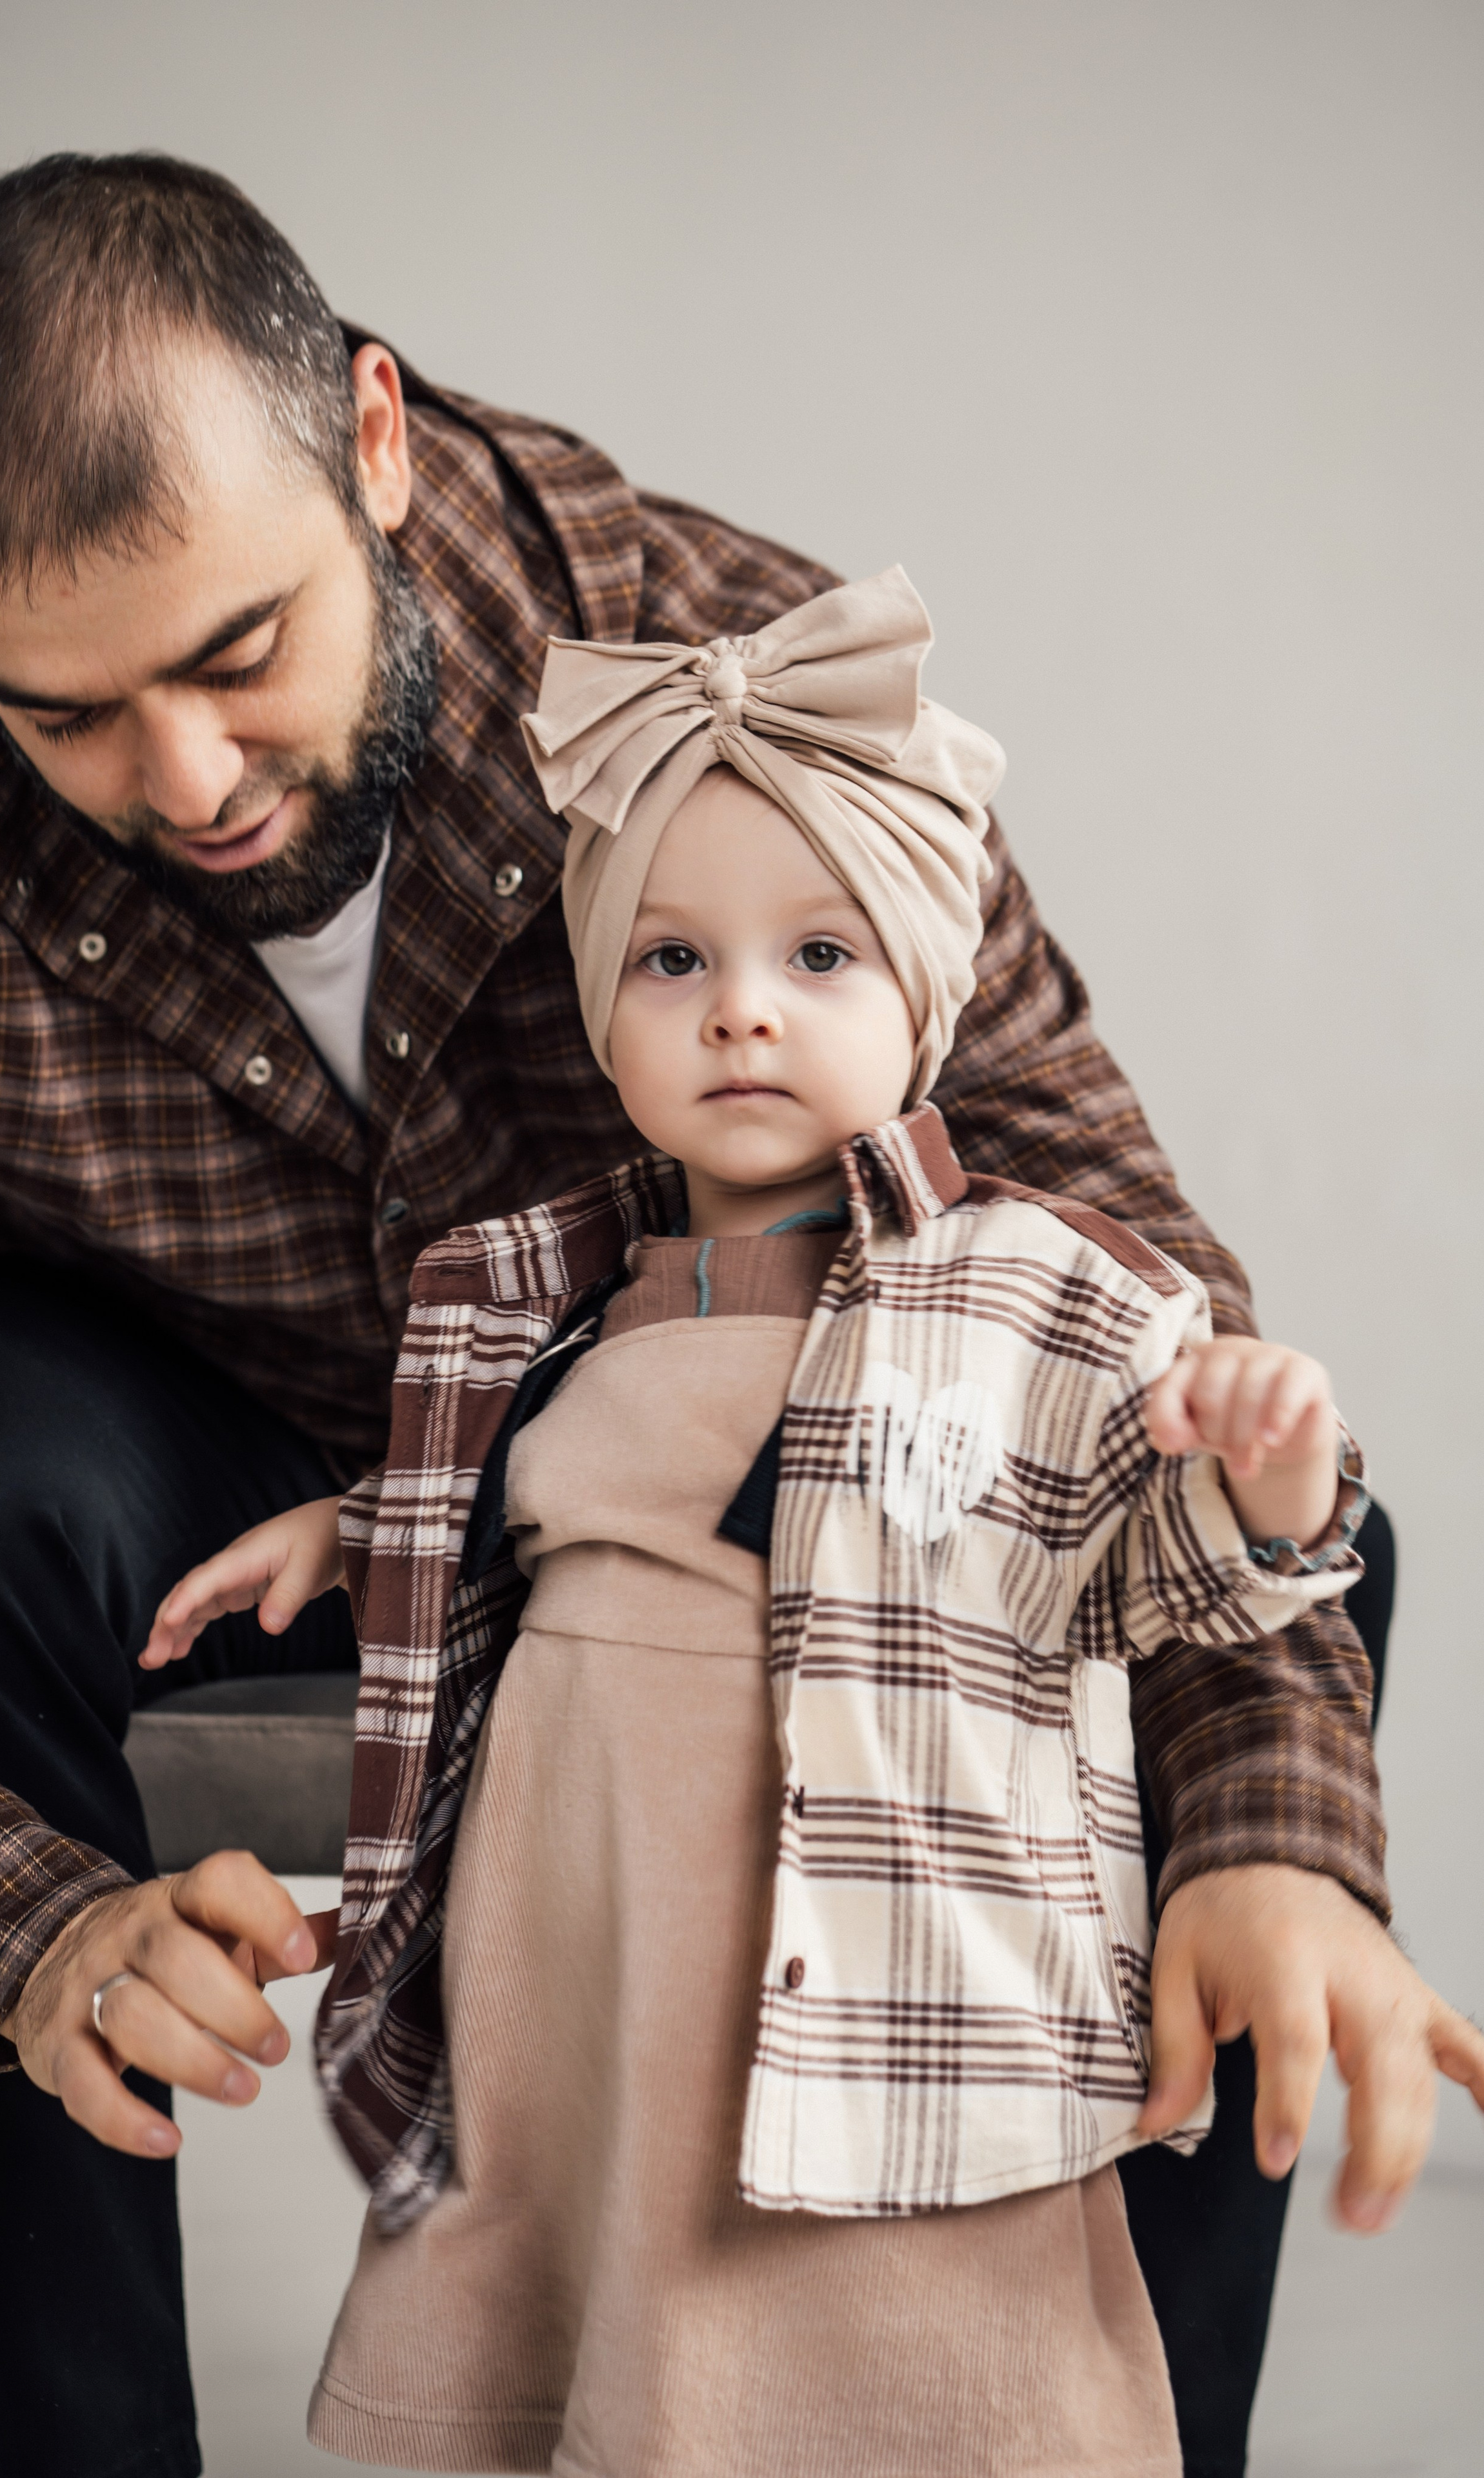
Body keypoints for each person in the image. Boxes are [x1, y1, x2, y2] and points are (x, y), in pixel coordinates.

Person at [0, 150, 1453, 2478]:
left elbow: (1113, 1250)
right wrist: (0, 1928)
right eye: (61, 716)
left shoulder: (726, 656)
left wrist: (1278, 1831)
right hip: (146, 1470)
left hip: (650, 1441)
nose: (175, 782)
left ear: (372, 445)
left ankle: (1109, 2434)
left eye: (232, 655)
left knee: (1301, 1549)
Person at [144, 570, 1482, 2475]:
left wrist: (1259, 1465)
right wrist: (361, 1531)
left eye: (820, 958)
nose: (743, 1013)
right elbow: (549, 1511)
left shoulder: (1041, 1292)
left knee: (888, 2343)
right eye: (673, 960)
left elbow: (1167, 1579)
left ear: (929, 1000)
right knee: (637, 2307)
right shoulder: (546, 1297)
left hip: (878, 1934)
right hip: (595, 1926)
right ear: (604, 1013)